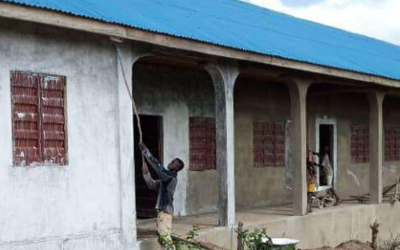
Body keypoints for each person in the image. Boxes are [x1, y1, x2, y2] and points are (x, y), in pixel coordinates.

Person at [139, 143, 185, 246]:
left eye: (173, 163)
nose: (170, 162)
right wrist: (146, 173)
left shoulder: (170, 177)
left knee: (165, 239)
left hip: (165, 213)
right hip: (163, 213)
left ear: (176, 168)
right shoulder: (166, 180)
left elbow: (158, 167)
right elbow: (152, 185)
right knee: (163, 239)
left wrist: (145, 151)